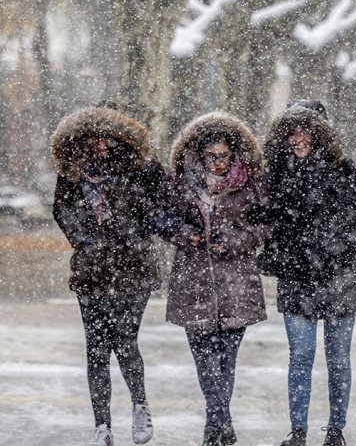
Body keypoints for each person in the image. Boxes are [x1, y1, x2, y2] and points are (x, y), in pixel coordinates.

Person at [257, 105, 356, 446]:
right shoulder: (276, 171)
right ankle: (298, 432)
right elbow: (266, 219)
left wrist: (326, 227)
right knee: (301, 356)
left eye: (304, 131)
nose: (298, 140)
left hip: (341, 273)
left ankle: (336, 431)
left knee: (338, 359)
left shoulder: (342, 168)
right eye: (291, 133)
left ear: (320, 133)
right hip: (297, 275)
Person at [153, 112, 268, 446]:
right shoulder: (180, 182)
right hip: (194, 281)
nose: (218, 163)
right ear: (198, 154)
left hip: (236, 282)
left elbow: (266, 224)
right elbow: (160, 218)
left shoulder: (251, 183)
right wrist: (187, 235)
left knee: (226, 357)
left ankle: (217, 422)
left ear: (234, 154)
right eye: (211, 156)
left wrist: (236, 239)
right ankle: (219, 421)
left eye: (224, 156)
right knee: (204, 357)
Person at [51, 105, 163, 446]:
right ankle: (103, 425)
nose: (101, 142)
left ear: (121, 135)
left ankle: (140, 406)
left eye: (108, 135)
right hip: (91, 271)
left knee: (125, 342)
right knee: (96, 349)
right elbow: (62, 208)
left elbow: (161, 204)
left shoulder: (142, 167)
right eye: (94, 135)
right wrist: (83, 239)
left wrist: (136, 232)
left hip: (134, 269)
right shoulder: (74, 169)